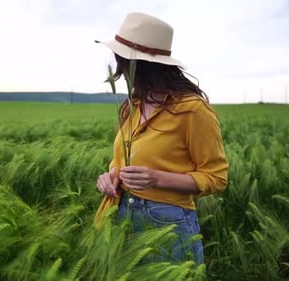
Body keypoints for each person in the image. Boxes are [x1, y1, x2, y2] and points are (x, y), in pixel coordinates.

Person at [94, 12, 229, 264]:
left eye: (123, 61)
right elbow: (124, 159)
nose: (120, 70)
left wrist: (156, 178)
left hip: (166, 222)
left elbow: (216, 177)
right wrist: (111, 175)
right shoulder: (132, 105)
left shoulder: (192, 109)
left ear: (142, 65)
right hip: (120, 212)